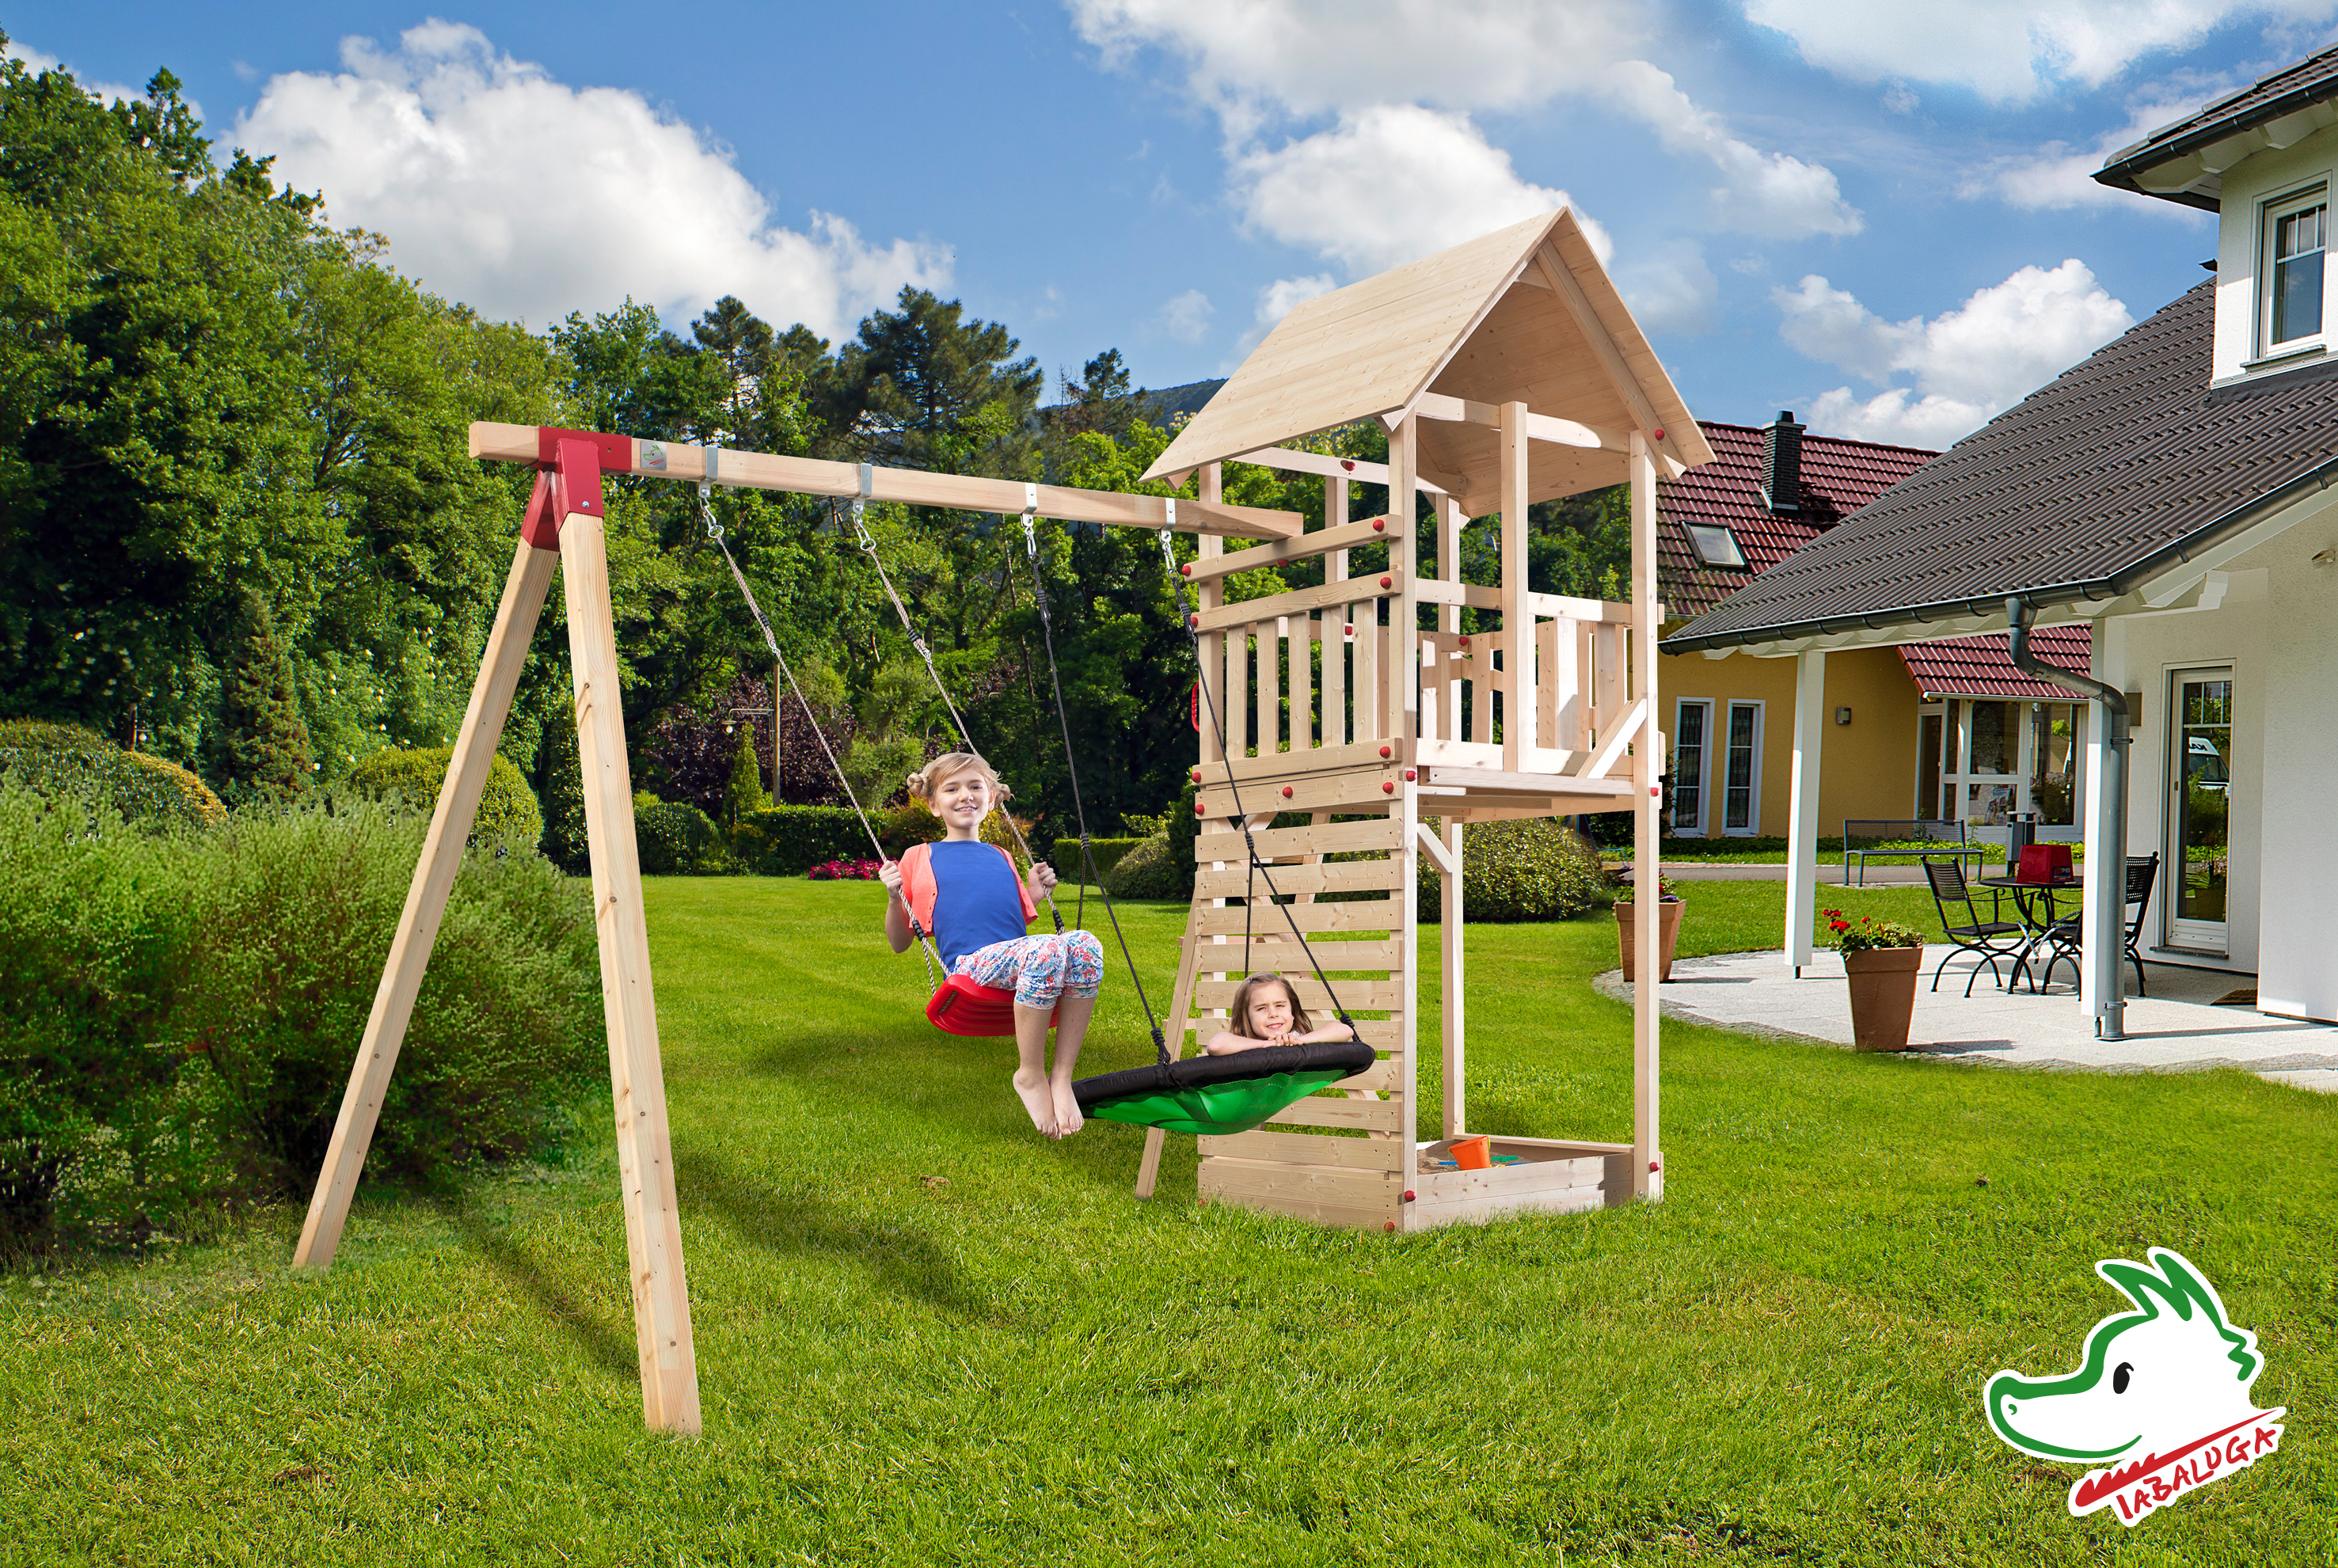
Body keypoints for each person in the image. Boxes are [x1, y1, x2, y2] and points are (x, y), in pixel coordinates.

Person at [878, 753, 1101, 1138]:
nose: (965, 795)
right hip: (967, 968)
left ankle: (1061, 1075)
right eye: (952, 788)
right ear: (933, 804)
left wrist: (1035, 890)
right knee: (1047, 949)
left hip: (1017, 962)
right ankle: (1029, 1074)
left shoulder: (1002, 856)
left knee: (1085, 944)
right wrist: (894, 897)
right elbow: (900, 943)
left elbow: (1015, 920)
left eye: (975, 786)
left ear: (993, 798)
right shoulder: (920, 855)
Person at [1203, 972, 1359, 1056]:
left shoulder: (1297, 1039)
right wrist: (1266, 1045)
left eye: (1280, 1005)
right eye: (1261, 1008)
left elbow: (1345, 1030)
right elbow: (1216, 1046)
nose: (1273, 1014)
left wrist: (1301, 1041)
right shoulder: (1242, 1044)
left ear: (1293, 1013)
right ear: (1247, 1017)